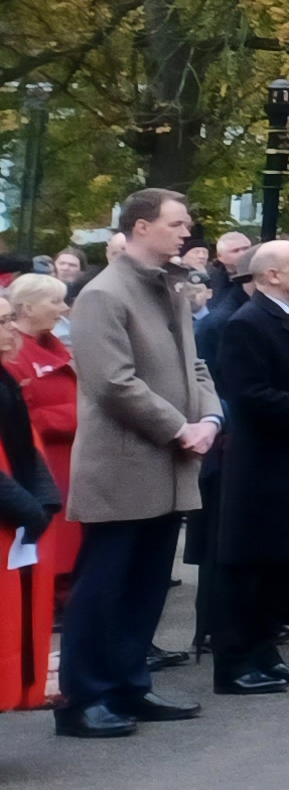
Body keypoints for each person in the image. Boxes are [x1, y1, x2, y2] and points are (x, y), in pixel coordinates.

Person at [50, 190, 215, 738]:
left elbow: (196, 366)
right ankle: (83, 697)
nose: (186, 232)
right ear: (141, 228)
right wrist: (179, 427)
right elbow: (113, 382)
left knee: (145, 584)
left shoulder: (170, 288)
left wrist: (211, 419)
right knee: (105, 583)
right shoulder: (104, 293)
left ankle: (128, 684)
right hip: (124, 462)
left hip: (170, 460)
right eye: (176, 223)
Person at [202, 239, 289, 695]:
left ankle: (265, 652)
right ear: (271, 275)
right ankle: (235, 661)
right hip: (262, 464)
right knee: (250, 566)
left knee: (281, 566)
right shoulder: (248, 323)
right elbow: (249, 395)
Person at [2, 275, 65, 719]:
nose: (12, 330)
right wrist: (26, 505)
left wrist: (41, 499)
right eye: (4, 322)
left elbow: (23, 443)